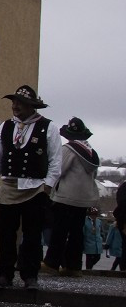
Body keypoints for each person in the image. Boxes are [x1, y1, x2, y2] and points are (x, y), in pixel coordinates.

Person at [0, 85, 62, 290]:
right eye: (13, 102)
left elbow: (56, 160)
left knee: (32, 234)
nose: (15, 106)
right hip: (9, 186)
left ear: (31, 106)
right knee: (6, 233)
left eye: (20, 102)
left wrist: (48, 186)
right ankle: (4, 274)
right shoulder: (6, 126)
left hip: (35, 187)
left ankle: (30, 276)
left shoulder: (49, 127)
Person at [43, 117, 99, 277]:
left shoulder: (68, 149)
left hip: (66, 197)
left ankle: (51, 263)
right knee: (76, 232)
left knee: (60, 230)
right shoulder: (92, 153)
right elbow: (94, 174)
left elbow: (59, 170)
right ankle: (74, 266)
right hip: (83, 199)